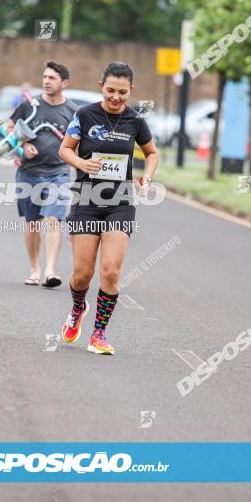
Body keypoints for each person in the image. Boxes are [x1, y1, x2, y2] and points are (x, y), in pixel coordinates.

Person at [58, 62, 158, 355]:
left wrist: (148, 175)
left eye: (123, 92)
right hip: (87, 199)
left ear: (131, 91)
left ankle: (98, 334)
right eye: (111, 90)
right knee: (81, 274)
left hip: (121, 201)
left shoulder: (135, 120)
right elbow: (64, 148)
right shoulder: (85, 114)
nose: (116, 97)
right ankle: (78, 307)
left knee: (111, 272)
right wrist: (81, 163)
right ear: (101, 86)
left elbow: (151, 152)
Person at [6, 62, 75, 288]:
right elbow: (9, 129)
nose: (46, 81)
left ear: (64, 83)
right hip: (29, 172)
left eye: (52, 78)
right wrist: (23, 146)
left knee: (54, 219)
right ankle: (34, 268)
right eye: (44, 77)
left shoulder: (72, 112)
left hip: (59, 173)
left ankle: (50, 270)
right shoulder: (30, 105)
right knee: (33, 223)